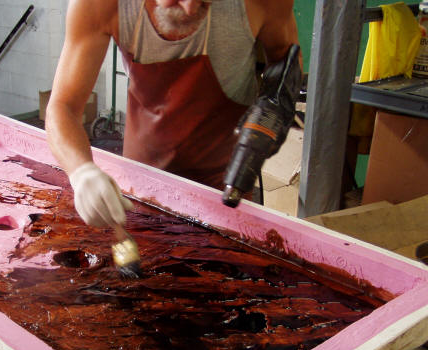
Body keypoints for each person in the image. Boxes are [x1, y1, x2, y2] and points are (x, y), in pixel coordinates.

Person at [45, 0, 300, 228]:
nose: (190, 7)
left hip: (226, 181)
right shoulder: (102, 4)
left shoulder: (260, 3)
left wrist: (274, 108)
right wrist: (81, 171)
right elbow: (63, 106)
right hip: (144, 178)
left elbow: (287, 64)